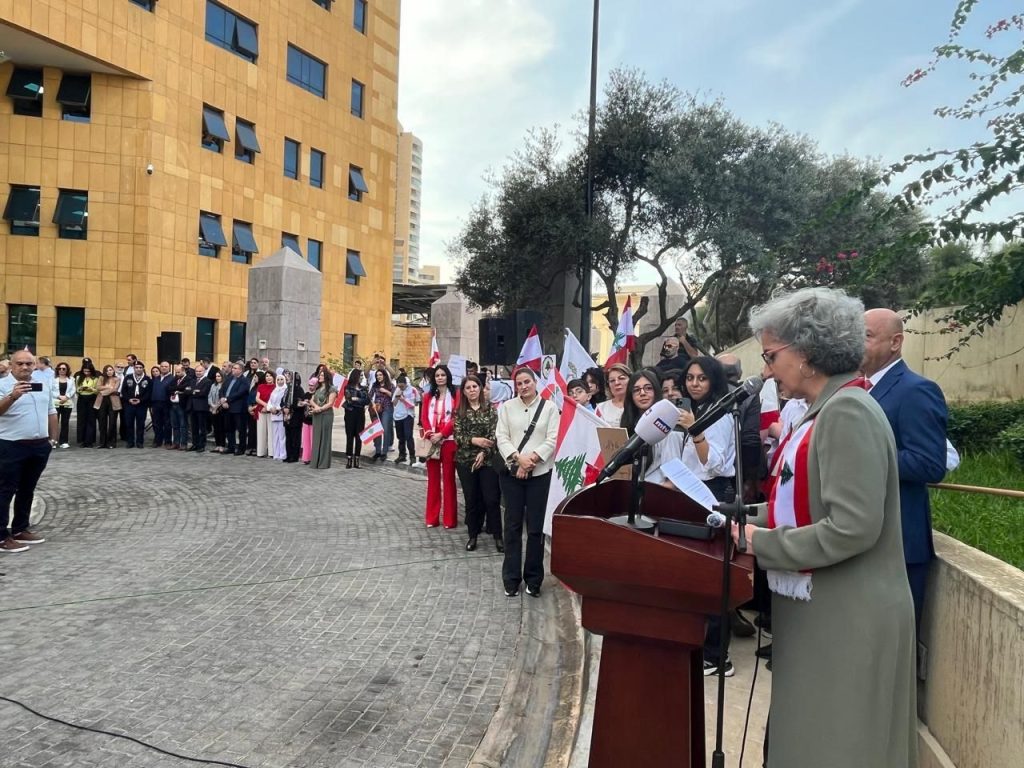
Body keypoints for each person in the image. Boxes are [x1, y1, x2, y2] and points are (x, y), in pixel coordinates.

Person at [733, 287, 917, 768]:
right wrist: (736, 519)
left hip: (850, 616)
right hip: (826, 610)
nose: (768, 370)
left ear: (807, 353)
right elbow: (800, 506)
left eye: (771, 356)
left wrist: (761, 543)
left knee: (839, 746)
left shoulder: (848, 412)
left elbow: (852, 527)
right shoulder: (825, 409)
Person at [862, 307, 949, 631]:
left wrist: (861, 459)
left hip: (899, 544)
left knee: (894, 643)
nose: (857, 344)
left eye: (867, 336)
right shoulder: (861, 390)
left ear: (895, 342)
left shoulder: (915, 390)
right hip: (866, 538)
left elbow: (930, 463)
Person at [677, 356, 738, 676]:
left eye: (701, 378)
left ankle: (717, 655)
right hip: (690, 490)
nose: (694, 384)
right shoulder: (696, 411)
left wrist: (695, 430)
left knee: (714, 575)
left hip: (714, 492)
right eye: (690, 378)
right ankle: (701, 645)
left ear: (713, 380)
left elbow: (713, 463)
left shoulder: (721, 414)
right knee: (695, 572)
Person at [495, 367, 559, 597]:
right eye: (519, 383)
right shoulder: (506, 407)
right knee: (512, 526)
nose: (523, 386)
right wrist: (517, 458)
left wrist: (532, 459)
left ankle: (534, 578)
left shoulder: (550, 408)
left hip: (539, 474)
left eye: (527, 382)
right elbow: (501, 436)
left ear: (535, 382)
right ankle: (511, 579)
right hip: (512, 474)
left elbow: (553, 438)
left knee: (535, 528)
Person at [0, 350, 57, 552]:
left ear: (34, 365)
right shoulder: (3, 385)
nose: (25, 367)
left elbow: (51, 411)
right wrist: (12, 396)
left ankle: (20, 528)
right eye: (20, 363)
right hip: (11, 445)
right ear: (11, 365)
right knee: (5, 490)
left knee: (27, 488)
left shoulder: (42, 385)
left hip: (39, 446)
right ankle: (1, 536)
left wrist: (52, 440)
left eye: (29, 363)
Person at [454, 374, 503, 553]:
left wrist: (484, 452)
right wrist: (474, 440)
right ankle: (473, 535)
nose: (472, 390)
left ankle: (498, 536)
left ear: (480, 389)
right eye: (468, 388)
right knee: (471, 499)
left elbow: (494, 435)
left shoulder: (490, 409)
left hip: (487, 460)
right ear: (464, 392)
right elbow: (458, 436)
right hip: (466, 462)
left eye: (475, 386)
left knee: (491, 499)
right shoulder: (459, 411)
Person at [619, 368, 685, 485]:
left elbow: (673, 482)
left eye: (648, 388)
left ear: (657, 391)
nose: (642, 393)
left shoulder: (669, 429)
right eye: (636, 390)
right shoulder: (628, 425)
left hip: (656, 492)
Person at [421, 365, 460, 528]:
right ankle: (432, 518)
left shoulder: (456, 394)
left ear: (448, 376)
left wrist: (442, 434)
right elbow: (424, 417)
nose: (440, 378)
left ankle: (449, 519)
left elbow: (456, 417)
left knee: (449, 480)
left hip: (449, 441)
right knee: (433, 481)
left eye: (443, 375)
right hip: (432, 441)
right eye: (437, 375)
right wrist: (431, 434)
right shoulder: (428, 396)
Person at [308, 368, 337, 469]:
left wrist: (319, 409)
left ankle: (323, 463)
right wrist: (316, 407)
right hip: (316, 415)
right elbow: (311, 400)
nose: (320, 377)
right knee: (316, 437)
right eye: (319, 375)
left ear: (327, 377)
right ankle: (315, 462)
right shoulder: (318, 388)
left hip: (326, 415)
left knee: (325, 438)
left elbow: (330, 403)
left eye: (322, 375)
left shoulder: (332, 389)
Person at [119, 361, 151, 449]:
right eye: (137, 367)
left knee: (140, 424)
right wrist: (129, 399)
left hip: (142, 405)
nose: (138, 369)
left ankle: (140, 442)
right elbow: (124, 390)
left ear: (143, 369)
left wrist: (140, 400)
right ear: (134, 368)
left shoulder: (147, 379)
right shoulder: (128, 377)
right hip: (129, 404)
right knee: (129, 424)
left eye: (140, 367)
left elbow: (148, 392)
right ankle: (130, 442)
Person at [342, 373, 369, 468]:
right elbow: (349, 400)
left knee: (359, 437)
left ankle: (357, 458)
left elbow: (367, 401)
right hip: (350, 413)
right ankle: (349, 458)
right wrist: (360, 400)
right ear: (355, 376)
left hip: (360, 414)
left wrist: (357, 399)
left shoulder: (364, 388)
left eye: (362, 376)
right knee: (349, 436)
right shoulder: (348, 387)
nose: (361, 377)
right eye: (360, 376)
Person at [222, 362, 249, 456]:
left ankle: (241, 448)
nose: (233, 369)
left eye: (235, 368)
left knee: (241, 429)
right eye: (233, 368)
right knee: (229, 428)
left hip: (238, 408)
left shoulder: (244, 380)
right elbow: (222, 389)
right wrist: (222, 399)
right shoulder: (229, 379)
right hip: (227, 407)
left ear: (241, 370)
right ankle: (231, 447)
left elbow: (239, 393)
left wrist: (226, 399)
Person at [368, 368, 395, 461]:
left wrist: (386, 391)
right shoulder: (375, 385)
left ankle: (384, 452)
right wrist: (372, 403)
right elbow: (369, 396)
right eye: (377, 375)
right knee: (377, 429)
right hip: (377, 409)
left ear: (384, 376)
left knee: (385, 429)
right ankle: (378, 451)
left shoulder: (390, 385)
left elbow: (395, 397)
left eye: (380, 375)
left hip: (387, 408)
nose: (378, 377)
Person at [392, 374, 419, 464]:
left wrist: (403, 399)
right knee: (400, 437)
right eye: (399, 386)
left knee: (408, 436)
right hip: (398, 416)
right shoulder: (397, 390)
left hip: (408, 415)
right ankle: (402, 455)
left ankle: (412, 456)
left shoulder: (412, 390)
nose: (401, 388)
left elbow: (414, 404)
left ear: (405, 384)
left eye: (402, 386)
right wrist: (397, 397)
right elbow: (394, 403)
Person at [73, 358, 100, 447]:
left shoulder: (95, 378)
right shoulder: (78, 377)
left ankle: (90, 441)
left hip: (92, 398)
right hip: (82, 399)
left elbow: (97, 390)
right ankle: (82, 440)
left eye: (88, 371)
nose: (86, 373)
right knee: (81, 420)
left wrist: (91, 389)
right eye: (85, 371)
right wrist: (80, 389)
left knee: (91, 419)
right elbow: (76, 389)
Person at [95, 365, 122, 449]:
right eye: (107, 370)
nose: (109, 372)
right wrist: (107, 387)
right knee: (102, 422)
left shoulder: (117, 379)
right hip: (102, 401)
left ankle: (111, 442)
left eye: (110, 370)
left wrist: (103, 392)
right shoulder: (101, 378)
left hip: (113, 401)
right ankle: (102, 442)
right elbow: (97, 387)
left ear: (113, 371)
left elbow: (114, 389)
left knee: (112, 422)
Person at [187, 363, 212, 452]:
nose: (198, 373)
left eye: (200, 371)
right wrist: (194, 391)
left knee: (202, 427)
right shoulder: (192, 381)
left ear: (204, 371)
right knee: (194, 428)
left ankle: (202, 445)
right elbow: (187, 391)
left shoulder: (207, 381)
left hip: (201, 407)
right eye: (196, 371)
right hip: (192, 407)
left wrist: (193, 391)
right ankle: (195, 444)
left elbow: (203, 393)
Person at [169, 364, 193, 450]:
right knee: (175, 425)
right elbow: (169, 388)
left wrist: (176, 389)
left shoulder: (189, 379)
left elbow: (187, 390)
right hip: (173, 405)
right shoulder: (175, 378)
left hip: (182, 405)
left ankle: (183, 443)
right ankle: (176, 443)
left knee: (183, 425)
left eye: (178, 372)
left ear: (183, 371)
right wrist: (178, 389)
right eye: (176, 372)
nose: (177, 374)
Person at [283, 371, 305, 463]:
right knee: (288, 437)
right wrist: (284, 407)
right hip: (287, 417)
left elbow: (300, 403)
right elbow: (283, 400)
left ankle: (294, 456)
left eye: (290, 377)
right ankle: (288, 454)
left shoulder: (299, 389)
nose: (287, 378)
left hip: (295, 417)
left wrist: (290, 408)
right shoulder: (287, 389)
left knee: (295, 438)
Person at [52, 362, 76, 448]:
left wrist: (66, 397)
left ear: (67, 370)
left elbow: (73, 389)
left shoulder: (71, 379)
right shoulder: (53, 379)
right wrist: (59, 396)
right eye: (60, 368)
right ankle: (53, 441)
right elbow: (50, 390)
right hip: (55, 402)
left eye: (64, 369)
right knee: (54, 423)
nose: (61, 370)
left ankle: (64, 441)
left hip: (67, 403)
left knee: (65, 422)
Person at [150, 361, 173, 448]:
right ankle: (157, 441)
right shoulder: (156, 378)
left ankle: (167, 441)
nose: (164, 368)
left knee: (167, 423)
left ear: (169, 367)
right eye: (162, 366)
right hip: (156, 403)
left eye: (166, 366)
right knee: (156, 423)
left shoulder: (172, 378)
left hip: (166, 404)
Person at [253, 371, 275, 458]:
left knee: (271, 432)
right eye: (267, 376)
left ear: (273, 377)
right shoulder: (261, 386)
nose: (268, 378)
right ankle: (261, 452)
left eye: (270, 376)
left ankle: (271, 452)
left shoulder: (276, 387)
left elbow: (275, 399)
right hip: (261, 410)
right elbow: (257, 399)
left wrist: (268, 407)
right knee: (261, 431)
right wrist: (265, 406)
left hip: (271, 411)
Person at [267, 373, 289, 460]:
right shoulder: (274, 390)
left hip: (281, 415)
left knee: (282, 436)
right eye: (278, 379)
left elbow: (284, 402)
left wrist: (277, 408)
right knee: (275, 435)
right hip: (273, 415)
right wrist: (270, 408)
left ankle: (282, 454)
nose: (280, 381)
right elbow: (269, 401)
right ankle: (276, 454)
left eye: (281, 379)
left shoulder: (286, 390)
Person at [207, 370, 227, 453]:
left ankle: (222, 445)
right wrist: (212, 405)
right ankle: (217, 445)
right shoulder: (213, 385)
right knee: (215, 428)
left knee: (221, 428)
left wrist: (217, 407)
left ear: (222, 377)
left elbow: (223, 398)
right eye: (216, 376)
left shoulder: (225, 385)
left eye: (219, 376)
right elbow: (209, 396)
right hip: (212, 409)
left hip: (221, 409)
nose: (217, 378)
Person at [300, 374, 317, 464]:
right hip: (305, 419)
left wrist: (309, 403)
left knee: (313, 440)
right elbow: (299, 403)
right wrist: (303, 402)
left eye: (312, 385)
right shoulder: (306, 394)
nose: (310, 387)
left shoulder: (317, 395)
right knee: (306, 440)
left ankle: (313, 458)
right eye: (309, 385)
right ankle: (306, 458)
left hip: (314, 419)